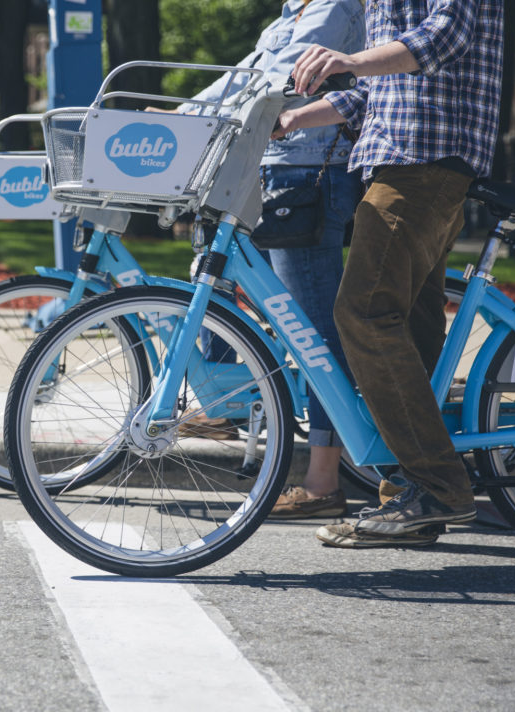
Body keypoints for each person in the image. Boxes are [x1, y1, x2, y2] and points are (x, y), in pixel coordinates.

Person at [273, 0, 504, 547]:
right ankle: (411, 496)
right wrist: (296, 117)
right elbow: (377, 90)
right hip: (403, 161)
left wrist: (348, 58)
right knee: (410, 329)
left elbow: (442, 38)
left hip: (423, 162)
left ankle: (438, 485)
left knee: (364, 314)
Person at [168, 0, 365, 519]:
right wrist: (182, 113)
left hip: (306, 173)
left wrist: (195, 115)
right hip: (271, 169)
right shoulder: (289, 13)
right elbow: (245, 74)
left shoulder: (333, 6)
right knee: (218, 270)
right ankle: (224, 405)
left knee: (315, 334)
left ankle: (323, 481)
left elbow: (282, 74)